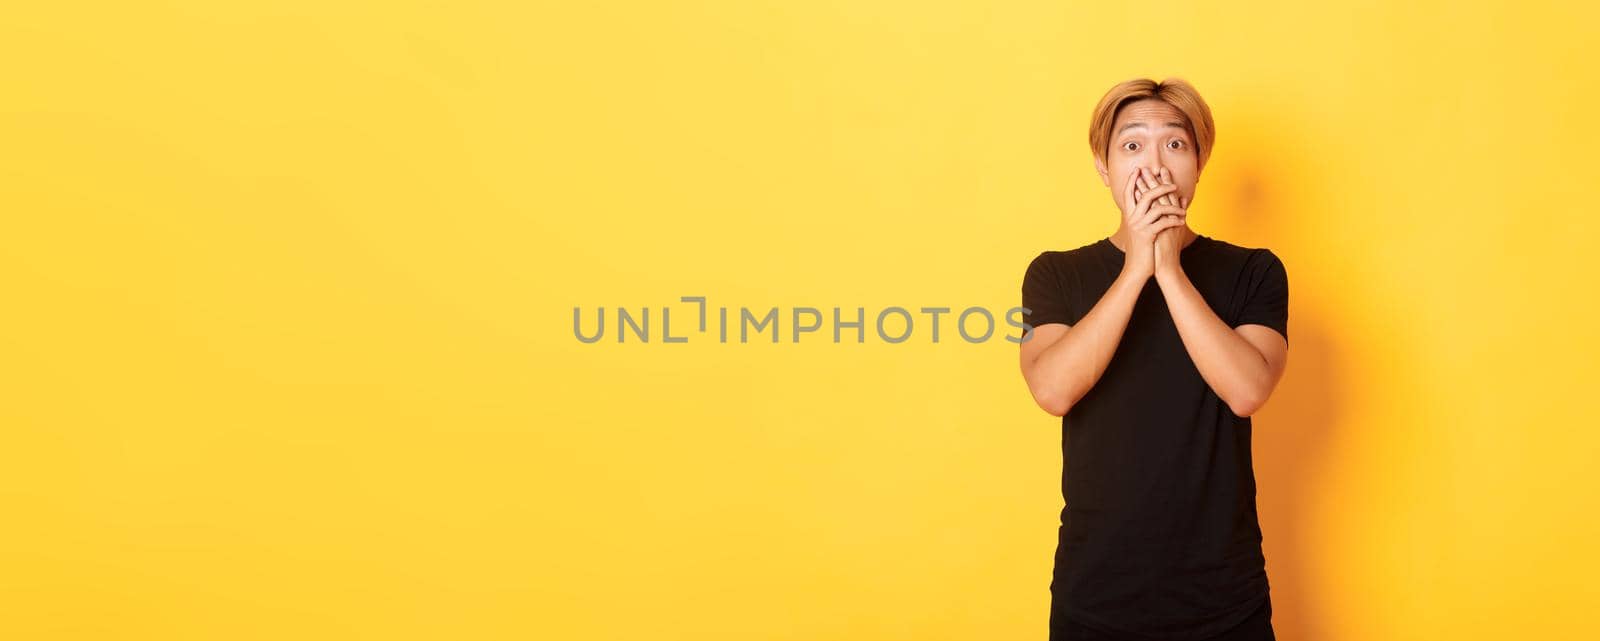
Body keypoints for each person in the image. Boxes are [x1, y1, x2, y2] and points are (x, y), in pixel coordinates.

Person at [1018, 77, 1290, 641]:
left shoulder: (1254, 271)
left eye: (1175, 144)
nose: (1154, 164)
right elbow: (1052, 390)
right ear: (1104, 167)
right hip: (1095, 595)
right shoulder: (1057, 274)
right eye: (1132, 145)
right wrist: (1137, 266)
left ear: (1198, 163)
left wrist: (1168, 268)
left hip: (1224, 596)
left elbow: (1247, 390)